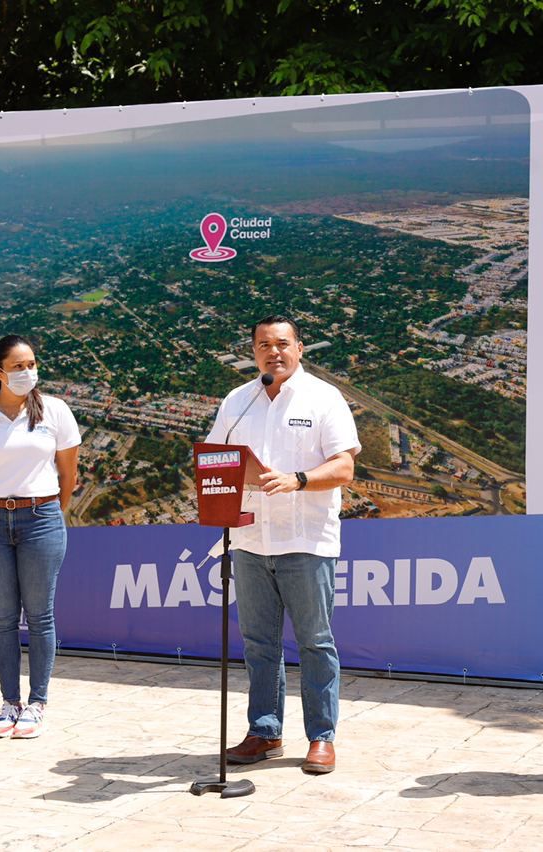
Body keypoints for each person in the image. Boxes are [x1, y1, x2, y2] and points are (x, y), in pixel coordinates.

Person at [206, 314, 359, 775]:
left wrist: (298, 479)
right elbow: (215, 457)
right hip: (250, 539)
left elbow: (344, 468)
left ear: (299, 348)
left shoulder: (324, 398)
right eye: (263, 345)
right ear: (253, 352)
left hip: (305, 539)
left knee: (315, 642)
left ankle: (321, 737)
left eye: (282, 343)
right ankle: (265, 731)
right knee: (258, 644)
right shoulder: (238, 401)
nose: (273, 352)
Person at [0, 335, 80, 739]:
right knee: (3, 617)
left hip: (41, 519)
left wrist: (47, 510)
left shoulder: (55, 411)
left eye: (32, 364)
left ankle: (37, 703)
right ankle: (10, 703)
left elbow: (69, 473)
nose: (27, 372)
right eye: (18, 366)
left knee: (40, 615)